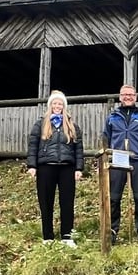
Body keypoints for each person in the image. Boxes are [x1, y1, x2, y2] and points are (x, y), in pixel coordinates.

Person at [28, 91, 84, 247]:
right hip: (46, 167)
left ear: (64, 106)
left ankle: (67, 236)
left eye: (60, 104)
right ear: (50, 105)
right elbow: (33, 146)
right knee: (46, 202)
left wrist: (79, 168)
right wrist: (32, 165)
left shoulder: (72, 125)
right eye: (55, 103)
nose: (57, 106)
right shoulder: (40, 124)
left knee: (67, 203)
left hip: (67, 167)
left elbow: (78, 148)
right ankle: (48, 237)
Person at [103, 84, 138, 242]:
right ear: (120, 97)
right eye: (125, 94)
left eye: (131, 94)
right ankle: (112, 231)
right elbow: (105, 141)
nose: (128, 97)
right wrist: (104, 162)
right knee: (114, 198)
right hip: (118, 160)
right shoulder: (112, 117)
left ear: (136, 97)